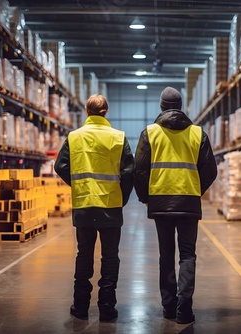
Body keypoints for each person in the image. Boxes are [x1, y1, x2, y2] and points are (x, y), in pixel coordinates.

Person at [133, 86, 217, 324]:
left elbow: (140, 169)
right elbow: (210, 170)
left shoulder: (150, 133)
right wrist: (195, 190)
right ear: (181, 107)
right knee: (188, 255)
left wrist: (145, 196)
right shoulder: (198, 134)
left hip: (161, 201)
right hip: (188, 201)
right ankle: (184, 310)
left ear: (161, 107)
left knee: (166, 255)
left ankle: (169, 307)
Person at [54, 94, 134, 322]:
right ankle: (107, 308)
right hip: (110, 206)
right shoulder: (118, 138)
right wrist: (122, 197)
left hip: (84, 205)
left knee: (84, 255)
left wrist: (78, 185)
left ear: (87, 112)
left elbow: (60, 166)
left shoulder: (74, 137)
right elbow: (129, 172)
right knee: (110, 257)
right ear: (106, 112)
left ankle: (80, 307)